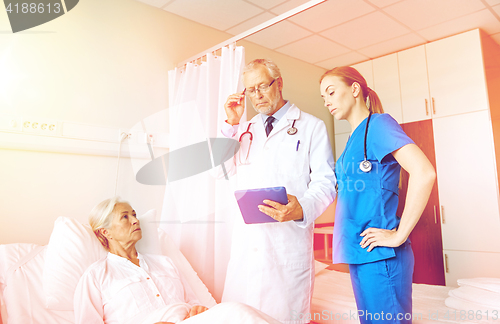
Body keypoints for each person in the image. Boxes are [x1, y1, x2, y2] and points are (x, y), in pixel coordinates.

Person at [220, 58, 337, 324]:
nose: (257, 96)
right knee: (241, 317)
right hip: (248, 245)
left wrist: (302, 209)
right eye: (250, 90)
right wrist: (231, 123)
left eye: (262, 86)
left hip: (287, 244)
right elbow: (221, 172)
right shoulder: (243, 130)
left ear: (279, 83)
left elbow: (326, 182)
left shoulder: (311, 126)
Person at [319, 66, 436, 324]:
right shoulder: (352, 140)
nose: (326, 101)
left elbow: (424, 172)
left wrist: (399, 235)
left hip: (382, 254)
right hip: (360, 252)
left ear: (355, 89)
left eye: (330, 92)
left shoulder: (379, 124)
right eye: (322, 97)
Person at [74, 197, 281, 324]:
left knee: (237, 313)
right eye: (125, 217)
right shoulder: (96, 276)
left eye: (134, 214)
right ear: (105, 232)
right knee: (236, 311)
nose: (136, 220)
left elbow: (193, 302)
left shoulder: (165, 263)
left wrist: (197, 309)